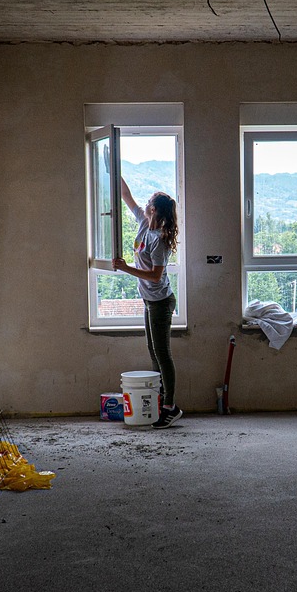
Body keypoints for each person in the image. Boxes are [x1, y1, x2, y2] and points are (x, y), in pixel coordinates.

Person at [112, 176, 182, 428]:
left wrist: (126, 268)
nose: (144, 203)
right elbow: (126, 196)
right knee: (153, 350)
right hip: (149, 300)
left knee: (163, 354)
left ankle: (170, 407)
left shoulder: (159, 240)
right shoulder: (144, 223)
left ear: (154, 209)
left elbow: (155, 276)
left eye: (148, 201)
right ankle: (160, 400)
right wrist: (113, 170)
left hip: (161, 302)